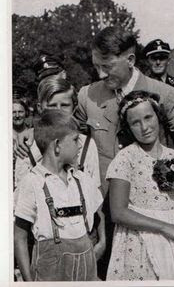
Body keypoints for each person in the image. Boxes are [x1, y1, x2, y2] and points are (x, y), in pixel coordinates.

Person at [75, 26, 174, 278]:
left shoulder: (165, 94)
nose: (100, 73)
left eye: (107, 66)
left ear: (131, 60)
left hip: (154, 217)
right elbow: (66, 131)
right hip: (107, 215)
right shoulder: (88, 95)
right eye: (96, 66)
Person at [106, 91, 174, 280]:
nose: (144, 127)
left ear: (158, 116)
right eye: (135, 123)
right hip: (140, 239)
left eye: (148, 117)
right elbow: (118, 212)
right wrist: (166, 228)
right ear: (128, 127)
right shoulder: (125, 158)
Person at [14, 109, 104, 281]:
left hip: (86, 266)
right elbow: (19, 236)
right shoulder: (32, 182)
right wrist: (28, 281)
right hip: (50, 271)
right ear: (57, 145)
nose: (79, 145)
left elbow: (99, 212)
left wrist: (102, 243)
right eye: (75, 140)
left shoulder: (81, 179)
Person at [14, 76, 101, 192]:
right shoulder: (27, 147)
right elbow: (21, 196)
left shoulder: (86, 144)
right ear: (40, 108)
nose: (58, 111)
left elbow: (95, 191)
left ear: (74, 108)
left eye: (64, 105)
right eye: (52, 106)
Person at [143, 38, 174, 114]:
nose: (158, 62)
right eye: (154, 58)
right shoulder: (142, 86)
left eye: (162, 58)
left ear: (168, 61)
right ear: (147, 61)